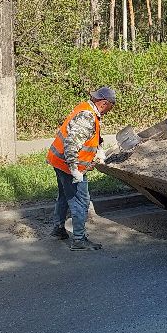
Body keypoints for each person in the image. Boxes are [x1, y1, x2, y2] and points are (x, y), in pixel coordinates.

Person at [47, 86, 117, 251]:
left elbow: (88, 138)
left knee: (64, 196)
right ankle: (78, 239)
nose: (110, 110)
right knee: (81, 201)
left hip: (58, 161)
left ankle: (58, 229)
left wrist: (98, 151)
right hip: (69, 165)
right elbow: (71, 144)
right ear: (104, 103)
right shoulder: (87, 117)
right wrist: (75, 170)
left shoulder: (86, 108)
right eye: (111, 106)